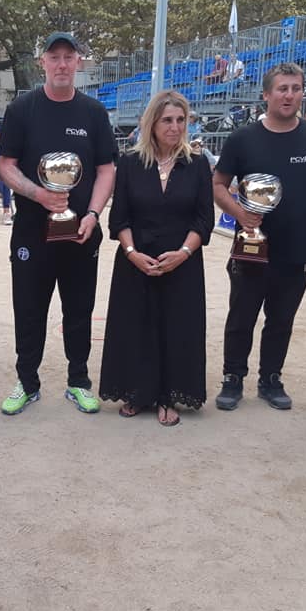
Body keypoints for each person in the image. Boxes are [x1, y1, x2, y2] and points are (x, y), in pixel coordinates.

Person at [0, 31, 115, 415]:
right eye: (55, 57)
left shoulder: (94, 113)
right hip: (33, 231)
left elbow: (106, 169)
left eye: (69, 57)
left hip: (80, 234)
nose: (62, 64)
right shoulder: (22, 110)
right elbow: (6, 165)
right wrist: (38, 195)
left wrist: (93, 215)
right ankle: (27, 382)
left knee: (78, 310)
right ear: (42, 62)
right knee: (28, 309)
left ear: (78, 63)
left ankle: (78, 381)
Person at [212, 62, 306, 412]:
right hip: (250, 247)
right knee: (241, 316)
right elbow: (218, 185)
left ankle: (271, 379)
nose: (289, 95)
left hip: (296, 247)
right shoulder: (242, 139)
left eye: (296, 88)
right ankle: (232, 377)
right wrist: (239, 213)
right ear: (266, 94)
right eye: (282, 89)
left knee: (281, 319)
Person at [99, 91, 214, 426]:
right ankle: (138, 392)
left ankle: (168, 394)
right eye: (168, 120)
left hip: (183, 264)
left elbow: (203, 219)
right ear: (152, 122)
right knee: (137, 327)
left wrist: (184, 253)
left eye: (181, 120)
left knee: (177, 330)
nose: (175, 127)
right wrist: (133, 253)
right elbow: (119, 218)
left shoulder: (196, 165)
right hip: (136, 264)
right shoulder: (131, 163)